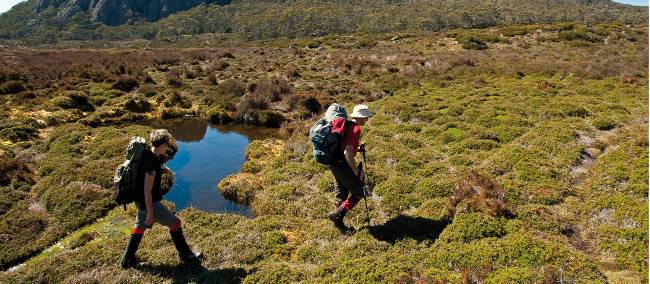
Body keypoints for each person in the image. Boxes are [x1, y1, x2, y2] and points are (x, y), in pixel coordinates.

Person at [121, 129, 202, 268]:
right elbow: (147, 191)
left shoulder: (149, 154)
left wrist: (163, 169)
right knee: (175, 223)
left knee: (139, 227)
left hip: (140, 202)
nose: (168, 146)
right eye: (167, 143)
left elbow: (153, 166)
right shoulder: (151, 165)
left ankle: (127, 261)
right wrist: (151, 213)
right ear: (163, 144)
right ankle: (186, 254)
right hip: (148, 202)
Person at [328, 104, 373, 232]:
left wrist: (357, 148)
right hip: (343, 164)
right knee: (359, 193)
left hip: (333, 162)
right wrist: (357, 171)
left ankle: (338, 224)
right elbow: (347, 153)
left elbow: (344, 146)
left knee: (341, 193)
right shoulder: (355, 129)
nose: (367, 120)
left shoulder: (345, 125)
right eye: (366, 117)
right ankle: (337, 215)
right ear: (360, 117)